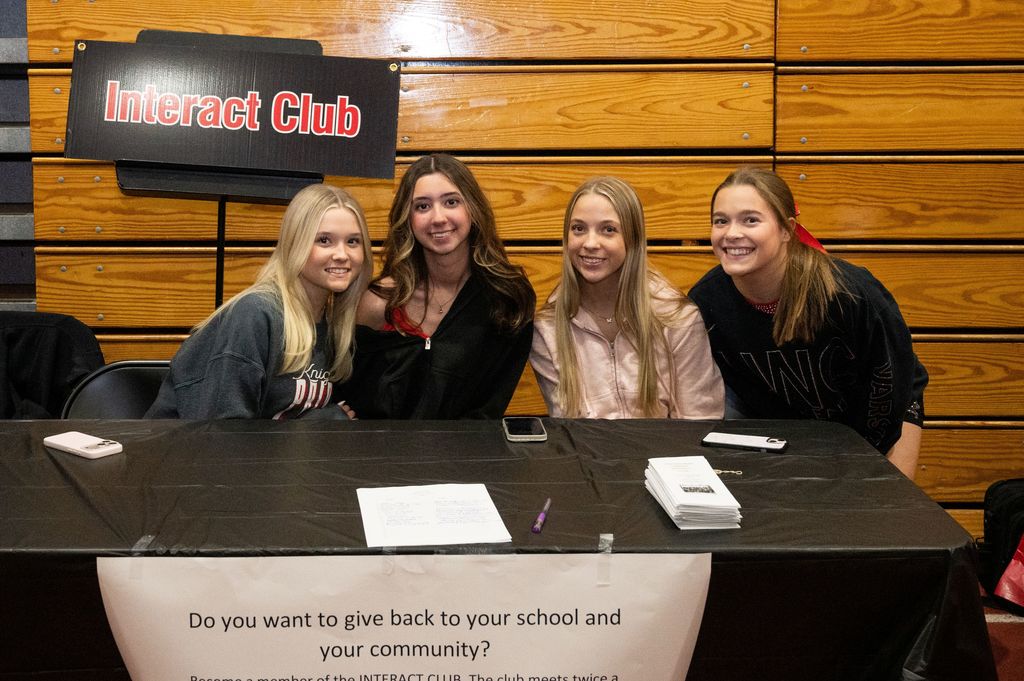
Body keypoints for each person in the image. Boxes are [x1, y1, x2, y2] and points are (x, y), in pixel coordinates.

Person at [688, 166, 928, 478]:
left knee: (880, 512)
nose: (732, 233)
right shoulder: (708, 301)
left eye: (750, 220)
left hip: (883, 413)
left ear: (787, 229)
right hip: (786, 425)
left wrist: (861, 471)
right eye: (721, 221)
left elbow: (889, 382)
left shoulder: (849, 294)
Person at [147, 183, 371, 419]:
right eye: (324, 240)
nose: (342, 254)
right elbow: (224, 434)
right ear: (295, 244)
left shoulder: (332, 325)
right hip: (182, 453)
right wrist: (321, 422)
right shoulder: (255, 314)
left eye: (353, 241)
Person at [338, 154, 536, 418]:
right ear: (407, 219)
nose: (438, 217)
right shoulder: (379, 302)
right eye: (422, 206)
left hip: (469, 455)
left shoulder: (508, 299)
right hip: (384, 455)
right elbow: (351, 398)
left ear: (473, 209)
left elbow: (490, 406)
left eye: (451, 202)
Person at [530, 176, 724, 419]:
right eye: (578, 228)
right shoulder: (548, 328)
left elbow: (700, 421)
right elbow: (570, 431)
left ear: (633, 239)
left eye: (608, 230)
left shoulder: (677, 318)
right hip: (589, 455)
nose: (590, 243)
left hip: (668, 455)